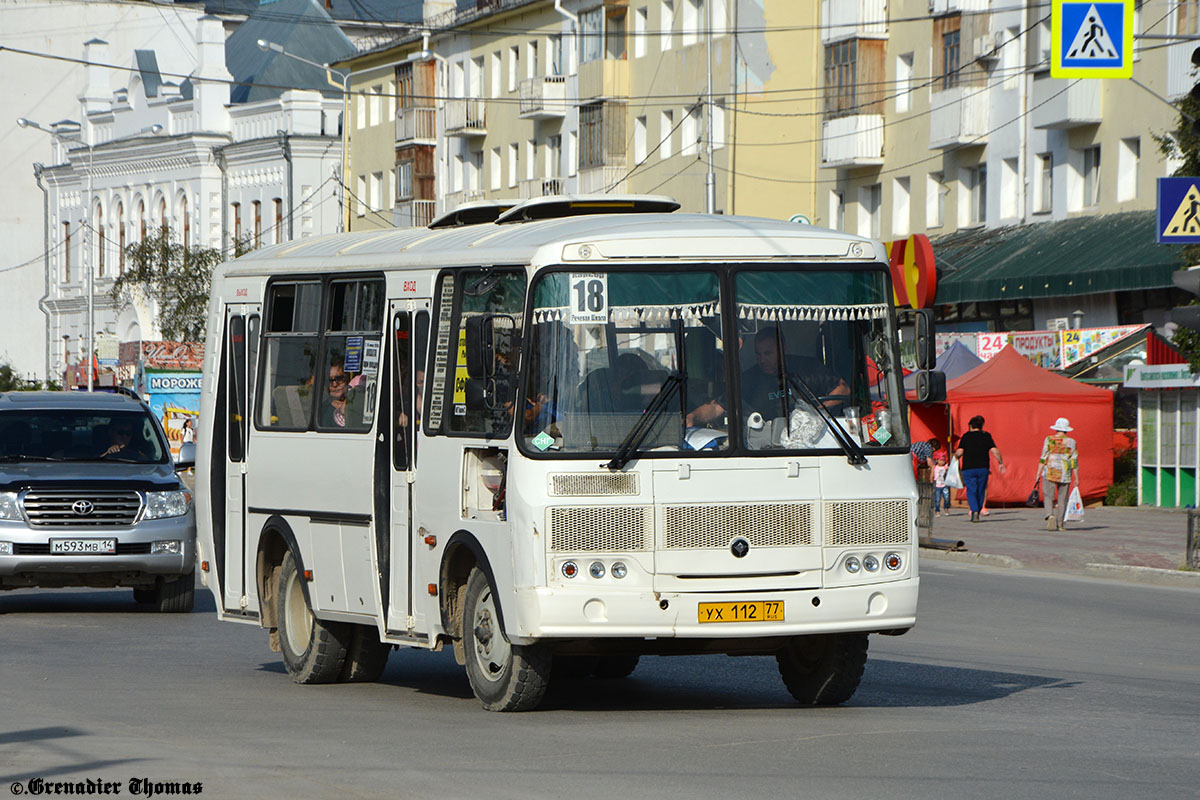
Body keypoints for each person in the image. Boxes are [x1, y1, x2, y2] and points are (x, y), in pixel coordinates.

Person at [740, 327, 849, 419]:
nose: (762, 360)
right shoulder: (749, 379)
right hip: (766, 440)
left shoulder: (808, 369)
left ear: (783, 349)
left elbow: (843, 389)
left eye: (768, 354)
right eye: (758, 354)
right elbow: (724, 403)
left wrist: (816, 415)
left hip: (813, 437)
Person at [954, 415, 1006, 523]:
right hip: (983, 468)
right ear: (981, 426)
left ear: (970, 426)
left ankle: (974, 510)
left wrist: (955, 458)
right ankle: (979, 508)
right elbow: (995, 450)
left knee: (971, 490)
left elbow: (960, 452)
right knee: (981, 489)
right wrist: (1000, 463)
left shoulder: (966, 436)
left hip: (968, 468)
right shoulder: (986, 436)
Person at [1040, 417, 1078, 531]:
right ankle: (1060, 524)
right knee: (1062, 499)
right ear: (1067, 430)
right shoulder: (1072, 442)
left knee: (1048, 495)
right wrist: (1077, 477)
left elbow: (1043, 457)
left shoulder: (1049, 439)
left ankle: (1050, 514)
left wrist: (1038, 472)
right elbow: (1074, 460)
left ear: (1056, 428)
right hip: (1065, 472)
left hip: (1050, 470)